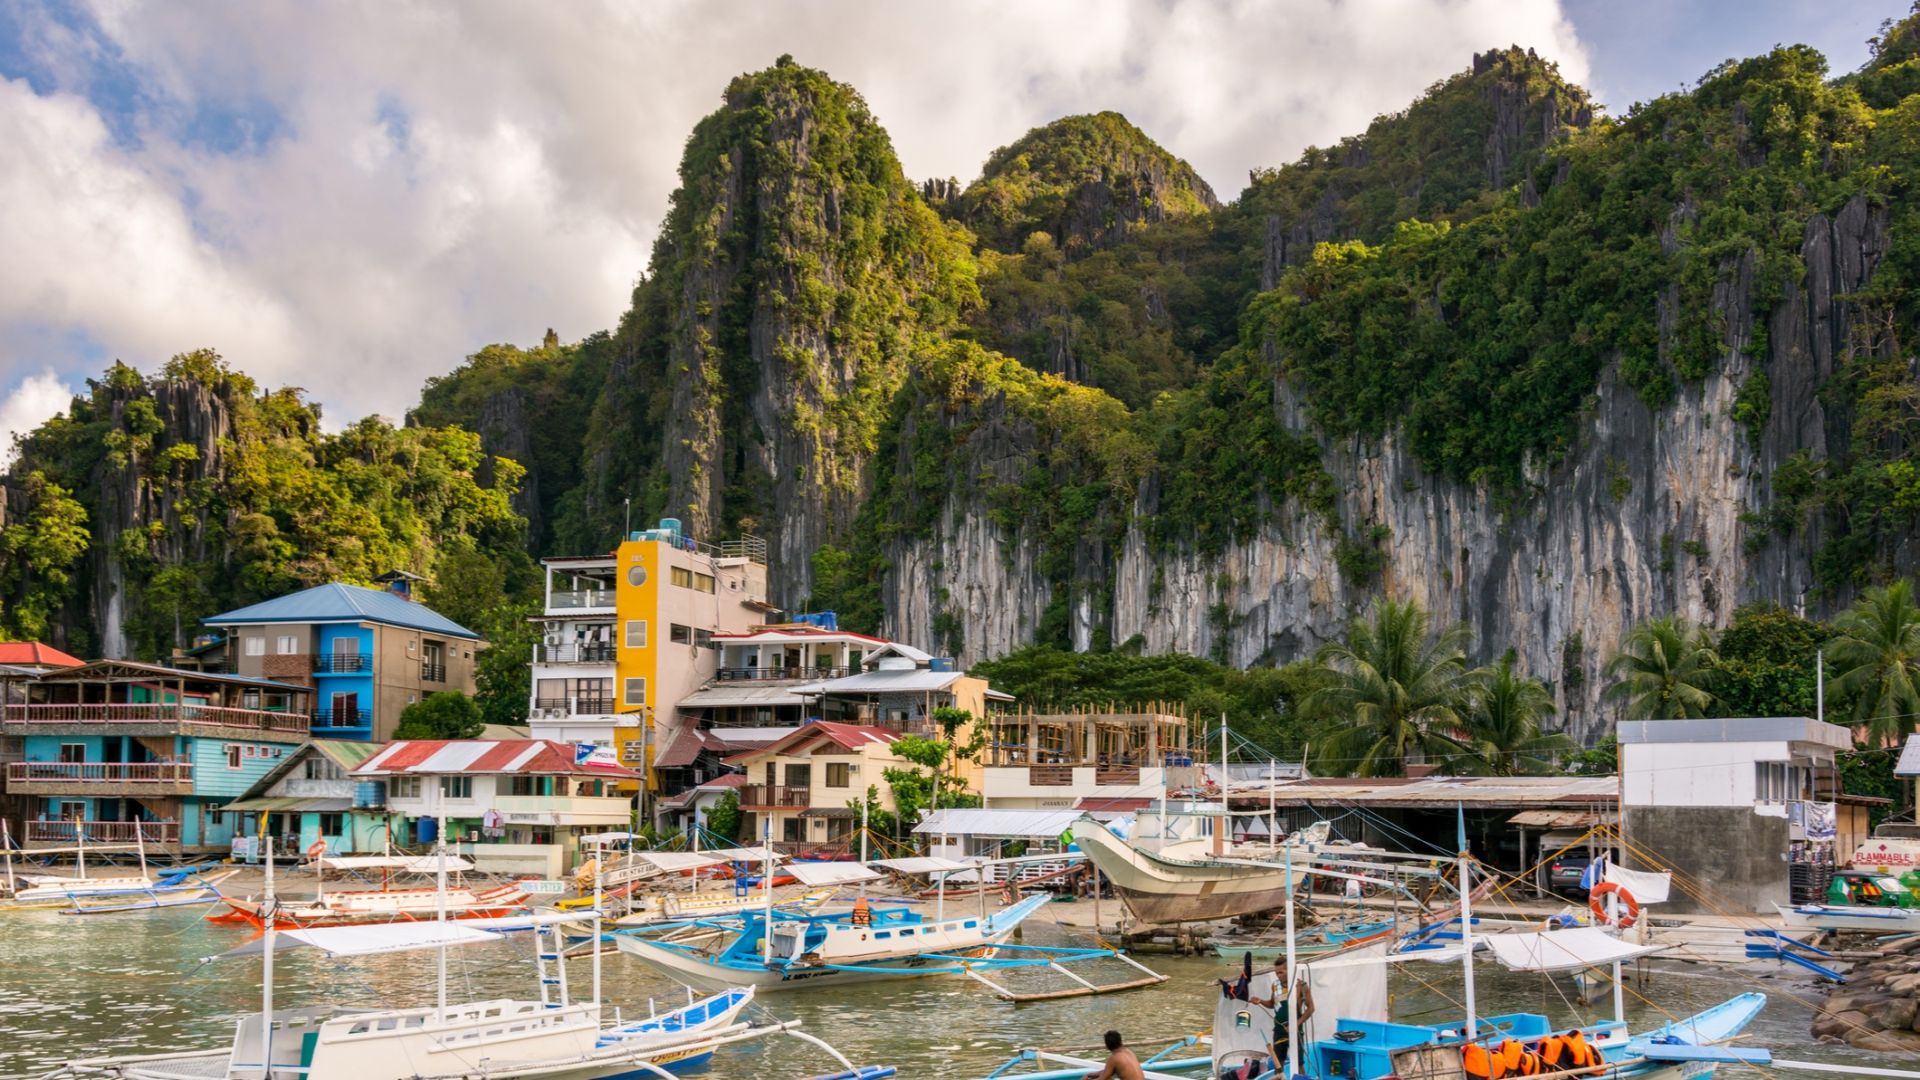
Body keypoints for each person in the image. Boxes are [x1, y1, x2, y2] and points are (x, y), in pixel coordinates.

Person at [1250, 957, 1315, 1070]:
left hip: (1296, 1031)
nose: (1278, 975)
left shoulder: (1301, 986)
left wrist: (1296, 1024)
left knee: (1298, 1064)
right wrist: (1260, 1001)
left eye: (1281, 972)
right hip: (1279, 1030)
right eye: (1276, 973)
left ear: (1289, 970)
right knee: (1278, 1064)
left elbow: (1311, 1009)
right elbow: (1272, 1004)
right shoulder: (1275, 985)